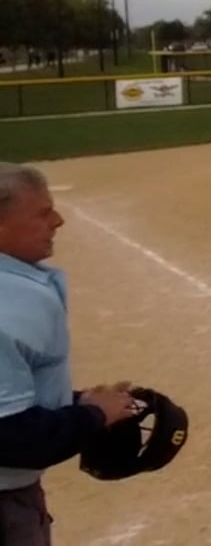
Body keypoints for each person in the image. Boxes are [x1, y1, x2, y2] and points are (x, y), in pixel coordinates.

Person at [0, 163, 142, 543]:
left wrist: (79, 401)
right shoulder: (10, 303)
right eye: (42, 214)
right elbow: (9, 436)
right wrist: (95, 415)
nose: (58, 221)